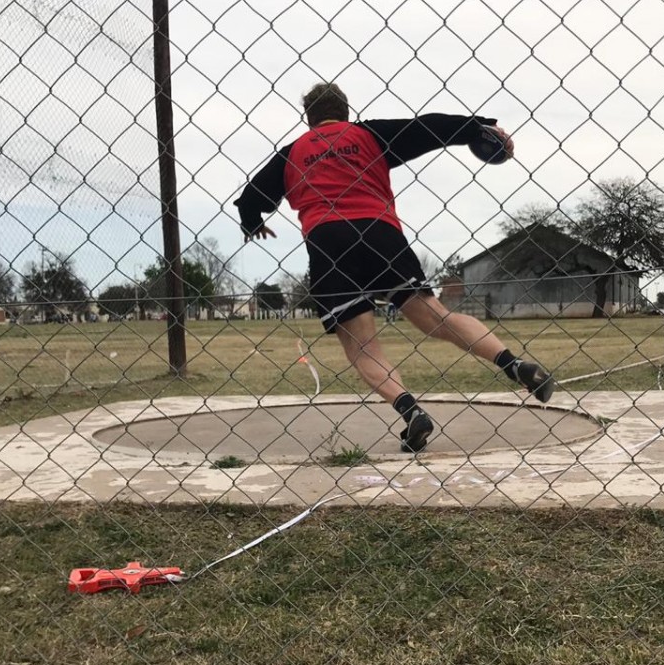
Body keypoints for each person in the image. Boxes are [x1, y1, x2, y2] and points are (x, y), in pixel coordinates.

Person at [234, 82, 555, 453]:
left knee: (362, 345)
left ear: (309, 119)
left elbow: (251, 197)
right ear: (346, 111)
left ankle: (411, 410)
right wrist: (480, 128)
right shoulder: (367, 133)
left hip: (328, 241)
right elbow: (428, 127)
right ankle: (513, 365)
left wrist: (251, 222)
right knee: (436, 318)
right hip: (380, 233)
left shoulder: (292, 154)